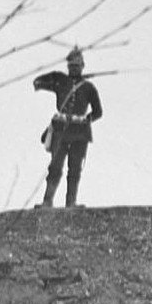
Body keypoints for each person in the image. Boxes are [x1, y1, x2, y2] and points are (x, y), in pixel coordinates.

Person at [32, 46, 103, 208]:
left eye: (77, 66)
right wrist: (55, 77)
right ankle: (47, 201)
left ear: (82, 66)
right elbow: (38, 82)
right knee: (55, 167)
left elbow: (98, 112)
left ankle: (71, 203)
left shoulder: (88, 87)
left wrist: (86, 120)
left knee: (75, 169)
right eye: (71, 66)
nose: (74, 68)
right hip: (60, 130)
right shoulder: (60, 80)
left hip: (80, 132)